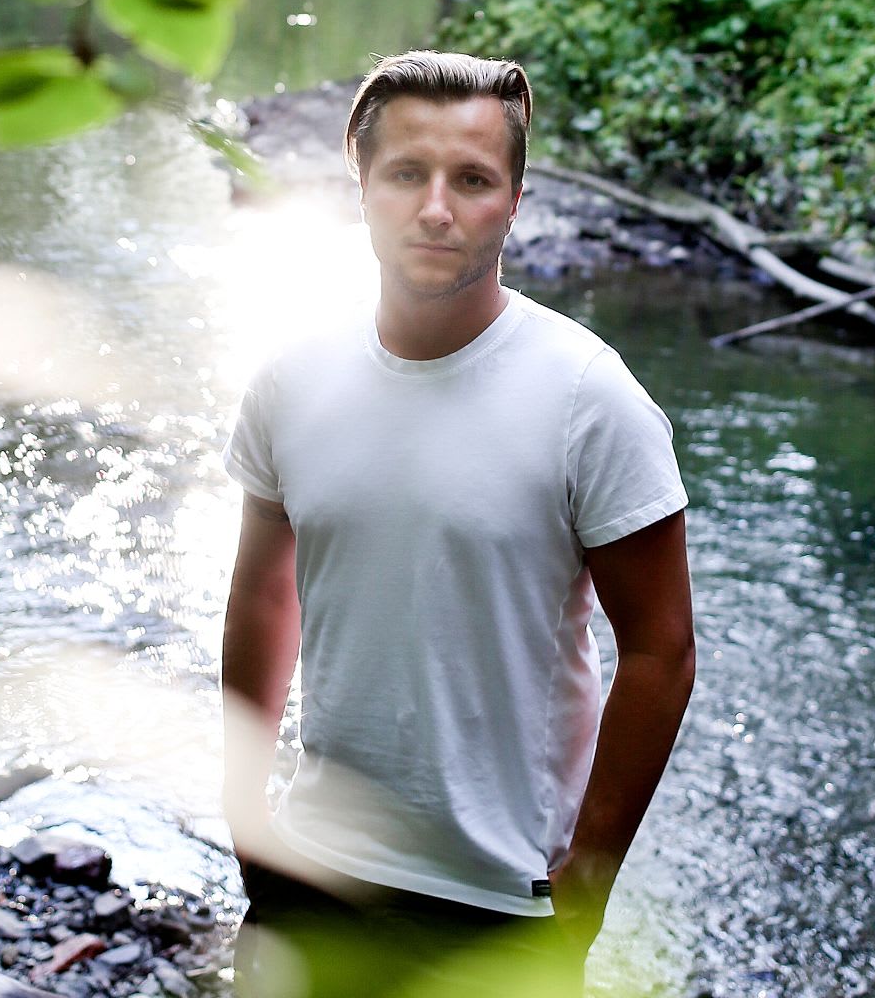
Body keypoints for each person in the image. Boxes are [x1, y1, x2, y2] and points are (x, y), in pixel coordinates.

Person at [220, 50, 696, 994]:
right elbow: (263, 596)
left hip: (500, 899)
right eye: (407, 173)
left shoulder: (589, 397)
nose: (436, 208)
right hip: (310, 869)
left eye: (473, 179)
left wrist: (589, 879)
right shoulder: (290, 378)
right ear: (361, 186)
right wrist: (245, 805)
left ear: (514, 200)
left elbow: (661, 649)